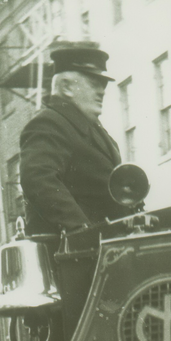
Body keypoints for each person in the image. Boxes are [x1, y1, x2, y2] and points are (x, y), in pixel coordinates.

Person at [20, 41, 127, 236]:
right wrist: (80, 230)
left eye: (102, 85)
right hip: (76, 255)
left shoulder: (94, 131)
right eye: (94, 83)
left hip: (106, 249)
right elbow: (38, 178)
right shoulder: (49, 124)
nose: (102, 91)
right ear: (67, 87)